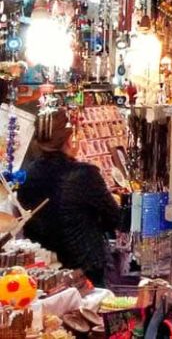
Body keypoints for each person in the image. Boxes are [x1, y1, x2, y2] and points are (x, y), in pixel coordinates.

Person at [19, 109, 121, 286]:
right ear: (69, 139)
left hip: (43, 268)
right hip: (83, 268)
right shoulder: (84, 174)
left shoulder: (28, 174)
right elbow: (114, 218)